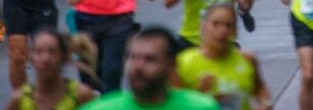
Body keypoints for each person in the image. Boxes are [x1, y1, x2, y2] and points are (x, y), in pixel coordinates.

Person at [81, 27, 220, 110]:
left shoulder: (202, 107)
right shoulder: (100, 108)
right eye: (132, 57)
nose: (138, 67)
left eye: (150, 59)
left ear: (172, 65)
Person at [174, 5, 271, 110]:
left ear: (235, 31)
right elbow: (172, 104)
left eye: (229, 25)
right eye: (215, 24)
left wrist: (265, 103)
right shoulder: (183, 63)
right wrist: (199, 94)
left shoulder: (247, 59)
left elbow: (260, 88)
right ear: (203, 27)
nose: (222, 31)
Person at [3, 28, 99, 110]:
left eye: (52, 52)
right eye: (39, 52)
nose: (45, 59)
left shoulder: (82, 95)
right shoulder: (19, 100)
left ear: (64, 57)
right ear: (31, 59)